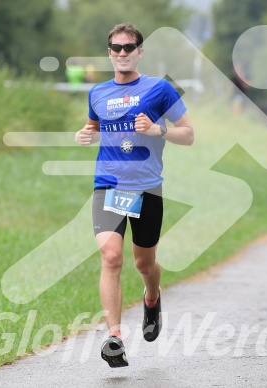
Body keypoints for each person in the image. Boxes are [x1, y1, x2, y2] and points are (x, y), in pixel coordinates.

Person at [75, 22, 194, 368]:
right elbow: (95, 126)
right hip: (108, 185)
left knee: (144, 263)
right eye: (116, 48)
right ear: (109, 52)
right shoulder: (97, 92)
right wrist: (86, 134)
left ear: (141, 51)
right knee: (111, 257)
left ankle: (152, 298)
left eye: (129, 47)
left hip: (146, 188)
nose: (122, 53)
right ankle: (114, 338)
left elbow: (188, 134)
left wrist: (158, 130)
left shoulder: (159, 89)